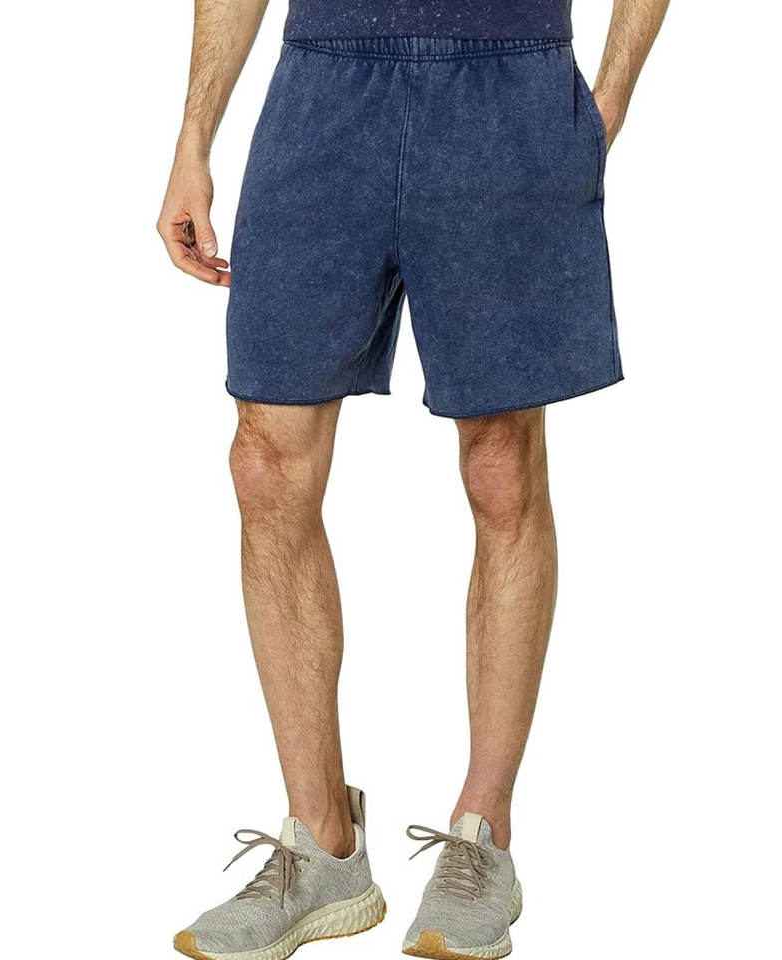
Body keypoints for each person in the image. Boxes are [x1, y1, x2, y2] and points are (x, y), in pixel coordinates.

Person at [158, 0, 668, 957]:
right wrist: (194, 136)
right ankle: (322, 846)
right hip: (322, 85)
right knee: (265, 460)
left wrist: (608, 97)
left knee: (501, 464)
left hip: (509, 83)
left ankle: (483, 836)